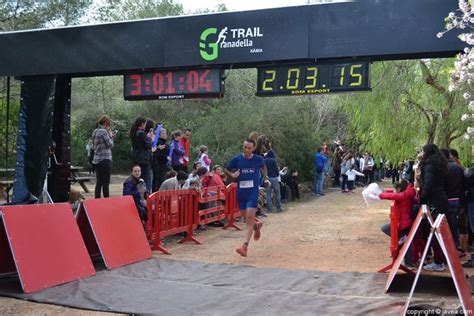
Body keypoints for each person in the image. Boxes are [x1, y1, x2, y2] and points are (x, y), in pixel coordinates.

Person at [225, 138, 269, 257]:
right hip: (241, 193)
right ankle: (256, 226)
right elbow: (227, 169)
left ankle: (245, 246)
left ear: (253, 148)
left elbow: (263, 167)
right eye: (245, 147)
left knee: (249, 218)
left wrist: (266, 178)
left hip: (252, 193)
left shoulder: (258, 159)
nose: (247, 150)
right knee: (246, 219)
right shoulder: (237, 159)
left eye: (249, 148)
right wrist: (232, 174)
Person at [419, 144, 449, 272]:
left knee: (434, 232)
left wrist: (423, 199)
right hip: (441, 198)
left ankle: (438, 261)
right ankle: (441, 259)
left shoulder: (429, 164)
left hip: (434, 201)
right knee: (439, 232)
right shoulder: (441, 164)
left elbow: (428, 183)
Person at [379, 179, 416, 266]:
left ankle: (407, 261)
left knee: (386, 228)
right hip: (406, 222)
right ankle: (408, 262)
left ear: (399, 188)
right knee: (406, 244)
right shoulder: (407, 193)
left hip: (403, 223)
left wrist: (379, 195)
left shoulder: (403, 195)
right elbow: (394, 194)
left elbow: (394, 196)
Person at [92, 115, 115, 198]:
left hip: (97, 159)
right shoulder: (104, 131)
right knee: (106, 182)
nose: (108, 126)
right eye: (108, 125)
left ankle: (97, 199)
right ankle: (106, 200)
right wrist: (111, 136)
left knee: (99, 182)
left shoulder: (95, 131)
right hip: (105, 159)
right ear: (106, 123)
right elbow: (110, 145)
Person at [130, 117, 153, 192]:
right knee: (146, 179)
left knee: (137, 178)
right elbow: (147, 146)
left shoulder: (134, 132)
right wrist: (150, 138)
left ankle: (137, 195)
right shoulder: (141, 133)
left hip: (136, 157)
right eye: (145, 124)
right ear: (142, 124)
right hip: (144, 159)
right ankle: (146, 196)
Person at [264, 147, 282, 212]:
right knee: (277, 193)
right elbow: (276, 170)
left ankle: (269, 209)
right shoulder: (273, 160)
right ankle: (278, 208)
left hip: (267, 178)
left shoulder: (264, 160)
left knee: (268, 194)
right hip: (274, 178)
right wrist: (277, 174)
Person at [152, 127, 170, 192]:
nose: (164, 134)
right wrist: (166, 157)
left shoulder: (166, 142)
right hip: (159, 164)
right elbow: (157, 154)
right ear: (159, 134)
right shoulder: (159, 142)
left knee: (164, 180)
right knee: (159, 181)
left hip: (165, 165)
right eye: (162, 133)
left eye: (165, 133)